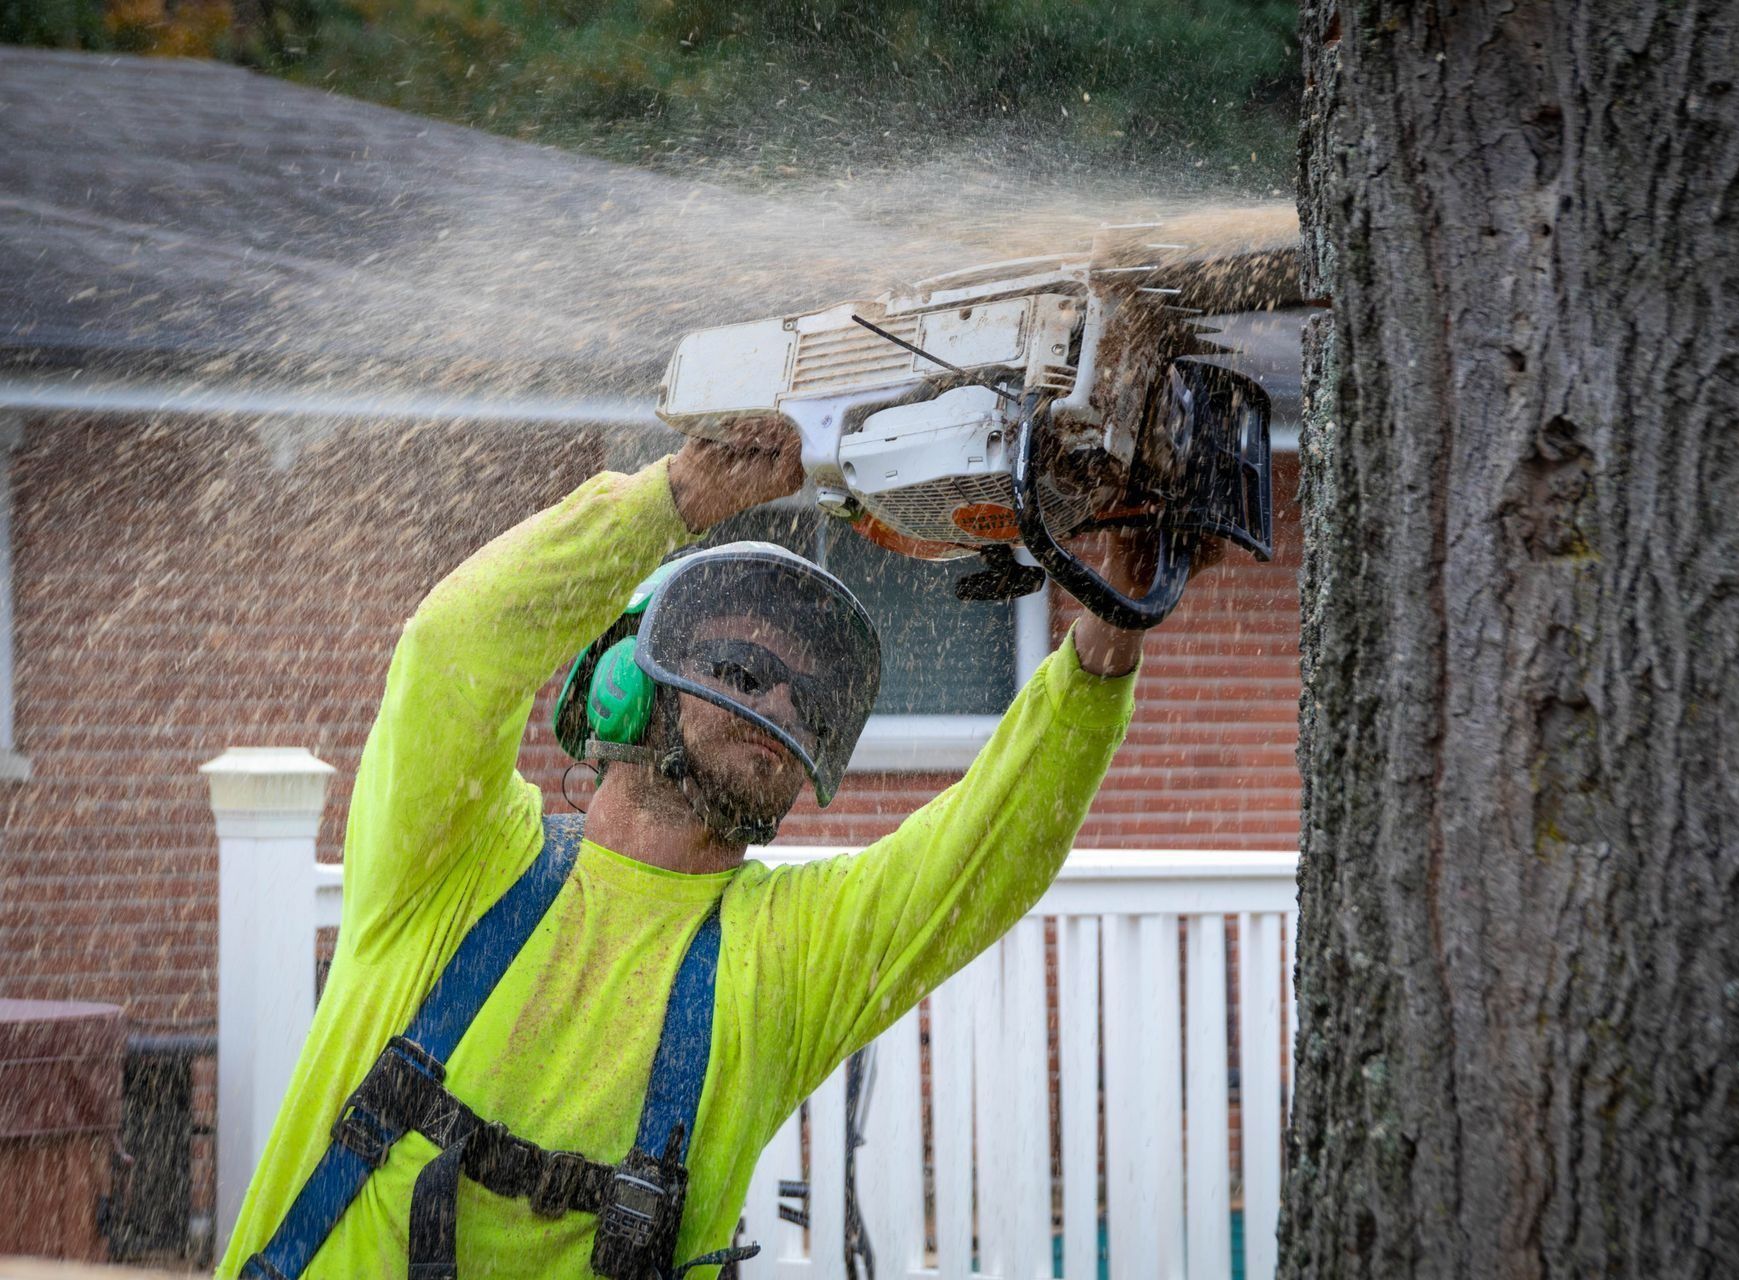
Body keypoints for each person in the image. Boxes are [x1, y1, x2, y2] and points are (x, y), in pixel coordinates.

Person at [217, 426, 1204, 1279]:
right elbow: (456, 647)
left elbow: (985, 852)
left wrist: (1107, 637)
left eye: (807, 697)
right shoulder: (453, 861)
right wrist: (676, 496)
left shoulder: (781, 955)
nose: (778, 702)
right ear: (623, 684)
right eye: (741, 666)